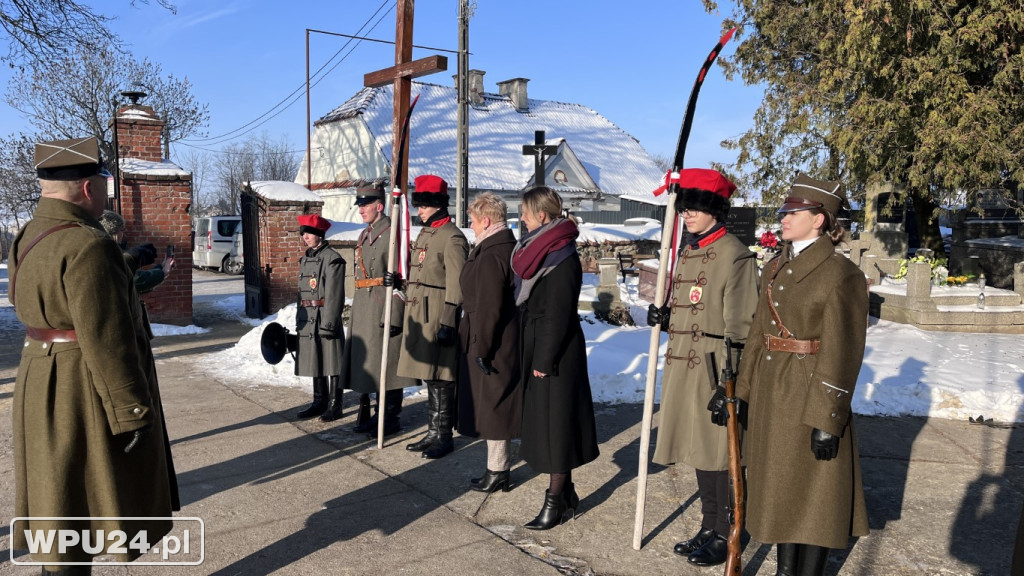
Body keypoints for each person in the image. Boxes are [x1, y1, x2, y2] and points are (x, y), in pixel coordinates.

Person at [10, 137, 179, 572]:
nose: (106, 192)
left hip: (38, 377)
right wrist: (133, 411)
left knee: (58, 504)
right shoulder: (90, 244)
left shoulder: (27, 237)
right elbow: (108, 338)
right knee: (84, 506)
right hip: (80, 387)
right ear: (88, 188)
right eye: (104, 182)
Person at [735, 174, 869, 576]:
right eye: (784, 211)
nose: (785, 218)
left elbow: (844, 352)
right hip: (771, 391)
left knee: (813, 491)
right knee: (779, 487)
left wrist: (827, 418)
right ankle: (785, 569)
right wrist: (743, 391)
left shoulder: (840, 274)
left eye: (795, 212)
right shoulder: (775, 267)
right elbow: (760, 331)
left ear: (821, 220)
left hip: (809, 391)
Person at [646, 169, 759, 566]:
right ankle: (710, 524)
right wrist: (664, 317)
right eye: (684, 207)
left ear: (714, 209)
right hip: (685, 366)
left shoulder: (734, 254)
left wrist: (731, 383)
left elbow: (740, 328)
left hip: (714, 368)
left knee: (719, 454)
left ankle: (731, 530)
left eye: (695, 207)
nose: (687, 213)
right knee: (698, 451)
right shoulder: (689, 251)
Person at [513, 186, 599, 530]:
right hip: (538, 342)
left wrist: (543, 360)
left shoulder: (561, 257)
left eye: (525, 213)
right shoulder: (539, 251)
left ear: (542, 217)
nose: (521, 219)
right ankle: (567, 495)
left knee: (557, 428)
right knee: (547, 426)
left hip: (557, 353)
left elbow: (559, 314)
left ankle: (555, 501)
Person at [328, 183, 415, 429]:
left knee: (387, 364)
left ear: (379, 205)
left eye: (365, 205)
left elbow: (404, 278)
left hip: (383, 303)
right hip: (365, 303)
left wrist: (395, 316)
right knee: (369, 363)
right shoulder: (365, 234)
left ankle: (389, 417)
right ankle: (375, 412)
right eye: (360, 205)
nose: (361, 210)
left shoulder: (392, 233)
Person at [398, 174, 468, 459]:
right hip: (420, 310)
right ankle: (431, 431)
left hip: (438, 312)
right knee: (430, 375)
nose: (419, 211)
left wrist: (449, 320)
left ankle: (443, 435)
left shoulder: (452, 237)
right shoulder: (427, 234)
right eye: (418, 206)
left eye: (424, 206)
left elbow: (457, 282)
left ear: (438, 204)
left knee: (442, 375)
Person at [455, 192, 521, 493]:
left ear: (486, 220)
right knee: (494, 406)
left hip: (490, 339)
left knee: (494, 408)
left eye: (472, 220)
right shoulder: (498, 247)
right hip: (492, 335)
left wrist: (481, 347)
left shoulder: (493, 252)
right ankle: (497, 469)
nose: (471, 225)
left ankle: (498, 471)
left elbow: (490, 305)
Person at [294, 213, 346, 419]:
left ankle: (335, 404)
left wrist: (329, 323)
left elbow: (334, 294)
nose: (305, 237)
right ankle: (319, 401)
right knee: (314, 359)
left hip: (325, 315)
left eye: (309, 233)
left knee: (333, 361)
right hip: (308, 318)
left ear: (319, 234)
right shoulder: (306, 258)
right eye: (303, 233)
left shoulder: (332, 259)